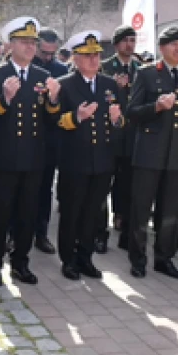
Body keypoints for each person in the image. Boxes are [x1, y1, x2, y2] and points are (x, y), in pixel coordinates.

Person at [0, 17, 61, 287]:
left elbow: (52, 120)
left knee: (27, 215)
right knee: (0, 215)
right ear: (11, 44)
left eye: (33, 42)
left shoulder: (42, 77)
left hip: (34, 159)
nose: (30, 47)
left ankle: (20, 263)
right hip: (5, 158)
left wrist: (53, 101)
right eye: (24, 41)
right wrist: (4, 99)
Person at [126, 26, 178, 280]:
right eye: (174, 45)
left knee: (171, 210)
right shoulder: (147, 74)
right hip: (150, 152)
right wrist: (156, 107)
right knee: (141, 209)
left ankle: (164, 258)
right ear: (162, 48)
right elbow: (133, 112)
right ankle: (137, 258)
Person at [53, 31, 124, 280]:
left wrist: (117, 121)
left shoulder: (109, 85)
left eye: (96, 55)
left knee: (93, 213)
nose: (94, 60)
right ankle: (68, 259)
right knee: (72, 212)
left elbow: (119, 120)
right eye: (87, 55)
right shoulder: (65, 84)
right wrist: (77, 118)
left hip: (103, 160)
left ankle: (86, 257)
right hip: (76, 161)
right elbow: (54, 122)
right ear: (75, 58)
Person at [101, 25, 141, 253]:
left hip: (132, 133)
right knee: (107, 178)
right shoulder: (107, 67)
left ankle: (121, 215)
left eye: (133, 40)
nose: (130, 44)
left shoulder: (141, 68)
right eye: (126, 40)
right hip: (111, 132)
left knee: (127, 179)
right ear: (116, 44)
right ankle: (101, 223)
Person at [32, 27, 70, 255]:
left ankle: (41, 233)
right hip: (25, 138)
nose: (47, 57)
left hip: (50, 140)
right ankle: (12, 233)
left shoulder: (60, 70)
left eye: (51, 53)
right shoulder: (27, 66)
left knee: (45, 190)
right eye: (44, 52)